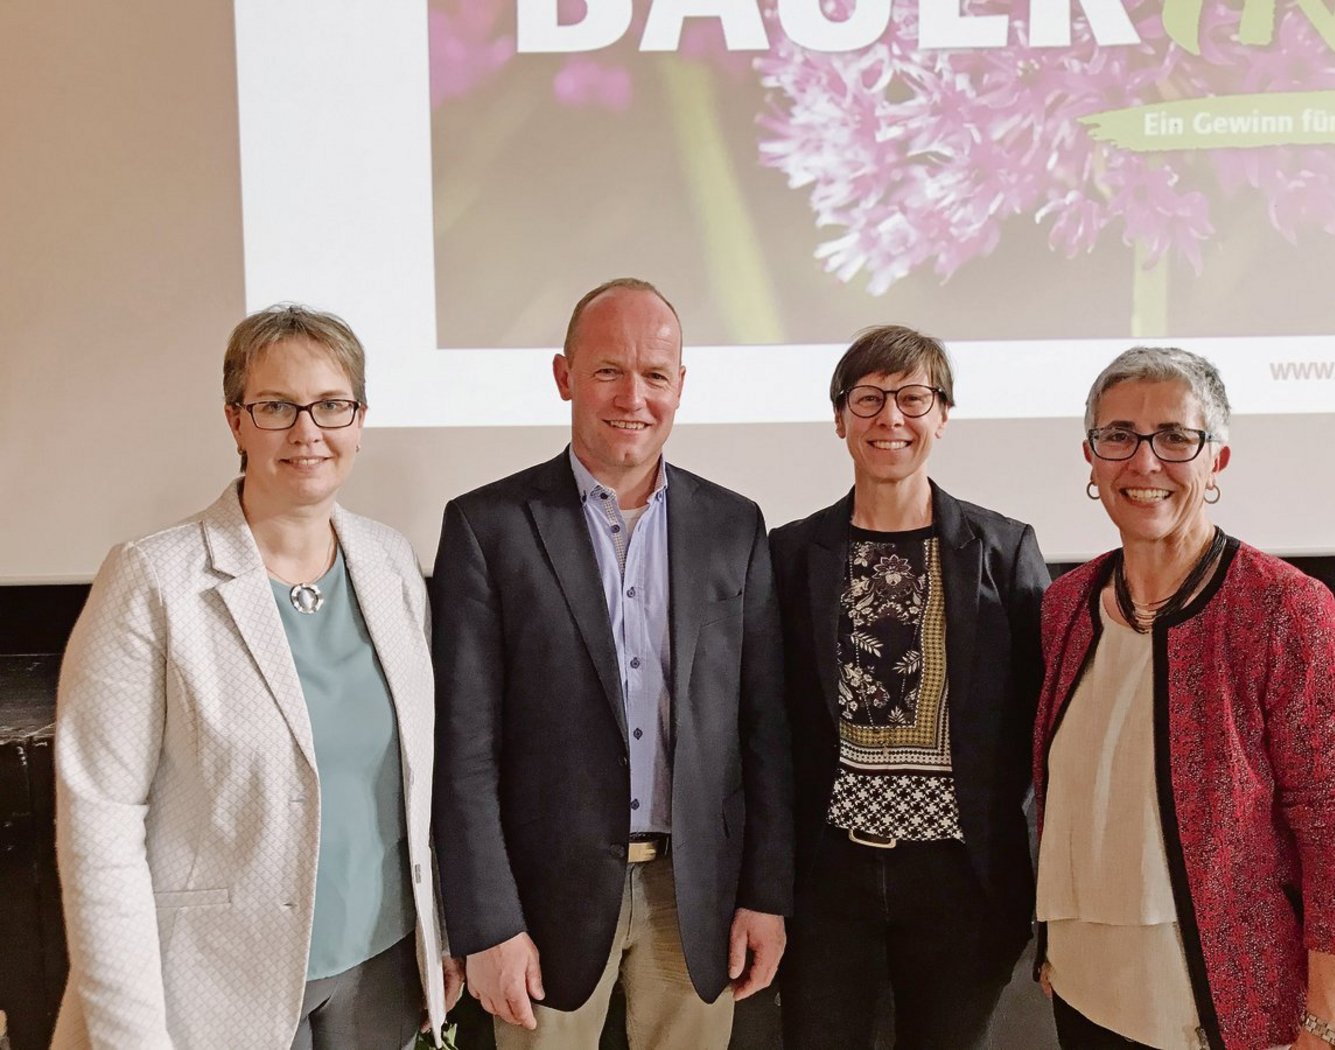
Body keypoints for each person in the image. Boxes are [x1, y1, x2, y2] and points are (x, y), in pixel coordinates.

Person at [52, 305, 462, 1049]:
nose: (308, 431)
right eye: (276, 407)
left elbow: (412, 789)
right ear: (236, 421)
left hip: (383, 971)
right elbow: (99, 826)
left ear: (360, 420)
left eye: (332, 405)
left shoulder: (391, 563)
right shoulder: (152, 579)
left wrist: (437, 940)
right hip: (215, 985)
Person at [431, 277, 794, 1050]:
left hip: (691, 898)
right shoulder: (487, 528)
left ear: (681, 387)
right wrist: (488, 921)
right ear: (565, 376)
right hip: (540, 907)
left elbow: (764, 733)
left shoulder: (735, 526)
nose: (634, 396)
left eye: (656, 375)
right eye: (608, 370)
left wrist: (766, 895)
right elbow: (462, 753)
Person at [1034, 347, 1335, 1050]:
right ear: (1091, 458)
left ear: (1215, 460)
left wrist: (1332, 1024)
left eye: (1175, 438)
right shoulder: (1067, 606)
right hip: (1082, 985)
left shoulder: (1285, 611)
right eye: (1118, 437)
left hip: (1230, 1009)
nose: (1145, 462)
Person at [769, 325, 1049, 1049]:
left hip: (962, 877)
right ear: (839, 419)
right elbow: (765, 726)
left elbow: (1040, 714)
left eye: (913, 398)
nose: (890, 418)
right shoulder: (791, 553)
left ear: (943, 415)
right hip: (826, 877)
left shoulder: (1003, 549)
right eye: (868, 400)